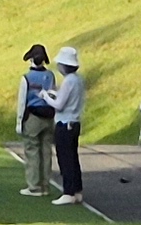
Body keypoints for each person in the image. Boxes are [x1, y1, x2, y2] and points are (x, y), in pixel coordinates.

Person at [50, 46, 91, 207]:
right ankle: (77, 190)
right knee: (73, 157)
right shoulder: (78, 79)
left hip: (64, 123)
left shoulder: (68, 81)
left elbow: (59, 105)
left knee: (65, 158)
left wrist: (46, 96)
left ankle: (68, 191)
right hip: (74, 122)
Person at [16, 45, 57, 196]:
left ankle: (34, 186)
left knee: (32, 151)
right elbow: (54, 95)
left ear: (31, 59)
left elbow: (22, 102)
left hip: (33, 117)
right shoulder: (51, 75)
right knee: (46, 152)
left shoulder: (27, 78)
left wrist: (19, 122)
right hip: (48, 116)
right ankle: (45, 185)